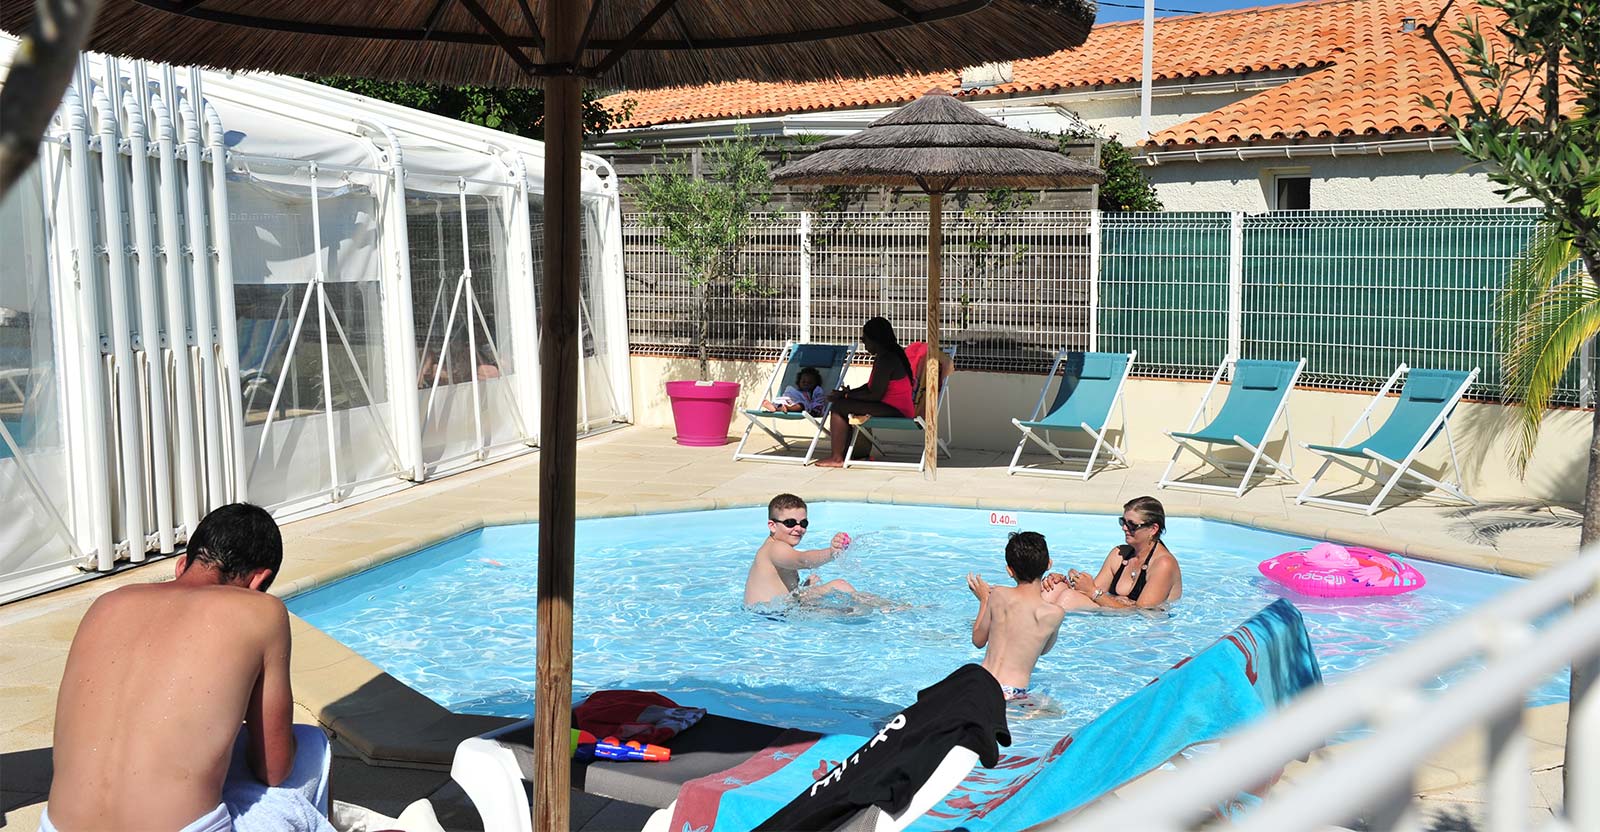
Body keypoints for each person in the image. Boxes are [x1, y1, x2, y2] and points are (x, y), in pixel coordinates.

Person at [44, 503, 331, 832]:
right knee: (312, 746)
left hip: (57, 827)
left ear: (183, 564)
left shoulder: (107, 603)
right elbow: (274, 768)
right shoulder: (262, 611)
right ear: (258, 581)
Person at [965, 531, 1089, 704]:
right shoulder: (1055, 613)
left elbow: (978, 640)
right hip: (1013, 693)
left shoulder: (998, 595)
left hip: (981, 684)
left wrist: (984, 600)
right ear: (1049, 564)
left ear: (1009, 570)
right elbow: (1043, 650)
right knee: (1055, 711)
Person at [816, 317, 916, 468]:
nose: (864, 342)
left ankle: (837, 458)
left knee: (838, 406)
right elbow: (870, 386)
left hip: (896, 409)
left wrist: (846, 396)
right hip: (890, 405)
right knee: (843, 403)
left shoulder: (887, 359)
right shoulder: (887, 356)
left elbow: (875, 395)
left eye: (864, 338)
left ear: (875, 339)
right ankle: (846, 454)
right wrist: (848, 394)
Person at [1060, 495, 1183, 609]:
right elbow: (1090, 591)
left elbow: (1144, 613)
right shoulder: (1119, 554)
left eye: (1132, 525)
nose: (1124, 528)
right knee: (1056, 589)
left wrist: (1095, 592)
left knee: (1068, 598)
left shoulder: (1163, 564)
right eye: (1123, 522)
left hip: (1143, 629)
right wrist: (1067, 582)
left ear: (1153, 529)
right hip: (1119, 620)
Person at [744, 493, 858, 607]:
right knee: (840, 586)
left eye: (803, 523)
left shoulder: (774, 547)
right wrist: (831, 552)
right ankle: (874, 609)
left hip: (773, 613)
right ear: (772, 525)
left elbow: (781, 592)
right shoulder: (774, 548)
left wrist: (804, 588)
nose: (798, 528)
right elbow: (802, 560)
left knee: (839, 589)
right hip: (770, 617)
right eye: (790, 523)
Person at [762, 366, 827, 416]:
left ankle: (782, 408)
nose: (806, 384)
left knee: (801, 405)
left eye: (810, 382)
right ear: (799, 382)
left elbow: (819, 402)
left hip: (800, 404)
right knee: (782, 400)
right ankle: (775, 406)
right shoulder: (795, 391)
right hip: (789, 401)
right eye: (803, 382)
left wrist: (815, 410)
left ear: (816, 384)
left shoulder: (814, 392)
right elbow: (788, 396)